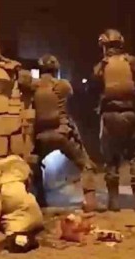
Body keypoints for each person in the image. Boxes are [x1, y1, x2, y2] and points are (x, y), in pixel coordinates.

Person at [25, 54, 98, 212]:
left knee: (35, 165)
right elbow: (71, 98)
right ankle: (90, 202)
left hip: (41, 137)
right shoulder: (62, 85)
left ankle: (40, 200)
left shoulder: (34, 86)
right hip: (62, 134)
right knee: (85, 164)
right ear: (56, 69)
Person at [92, 29, 135, 211]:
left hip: (109, 116)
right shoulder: (132, 62)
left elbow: (94, 87)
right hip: (130, 114)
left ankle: (113, 201)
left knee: (111, 158)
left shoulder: (101, 66)